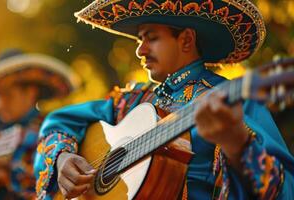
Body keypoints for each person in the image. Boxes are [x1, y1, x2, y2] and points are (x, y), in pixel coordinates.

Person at [34, 0, 294, 199]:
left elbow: (285, 190)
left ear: (186, 39)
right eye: (140, 38)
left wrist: (237, 142)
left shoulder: (232, 99)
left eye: (152, 37)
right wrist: (63, 158)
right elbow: (60, 121)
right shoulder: (130, 100)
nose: (140, 49)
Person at [0, 49, 77, 199]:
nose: (1, 103)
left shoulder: (51, 130)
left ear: (31, 92)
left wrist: (10, 172)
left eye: (7, 95)